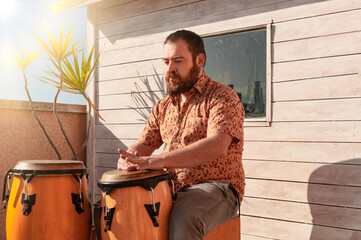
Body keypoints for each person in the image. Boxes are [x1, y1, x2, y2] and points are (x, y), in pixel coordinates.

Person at [117, 29, 245, 240]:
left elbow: (217, 145)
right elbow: (144, 145)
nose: (170, 69)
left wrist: (158, 160)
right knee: (117, 209)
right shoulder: (163, 106)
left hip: (218, 187)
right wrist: (129, 158)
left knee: (184, 218)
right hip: (168, 187)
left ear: (200, 60)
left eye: (178, 61)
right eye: (166, 62)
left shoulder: (221, 97)